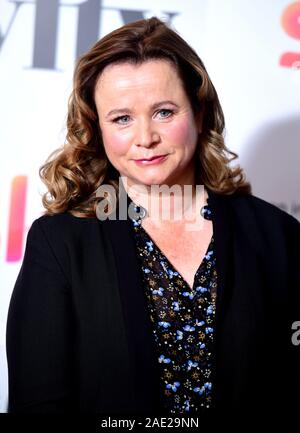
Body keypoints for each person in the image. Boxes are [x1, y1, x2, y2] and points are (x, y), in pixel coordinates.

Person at [6, 16, 300, 417]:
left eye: (164, 112)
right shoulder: (60, 243)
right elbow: (38, 404)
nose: (145, 138)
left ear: (198, 113)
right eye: (122, 118)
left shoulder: (277, 235)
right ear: (97, 129)